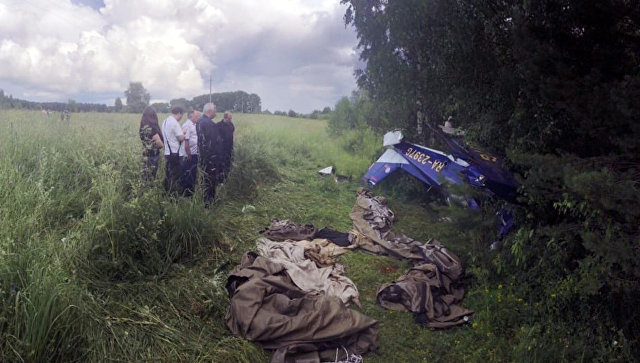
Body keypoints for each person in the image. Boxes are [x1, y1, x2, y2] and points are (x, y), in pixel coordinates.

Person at [196, 102, 222, 207]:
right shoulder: (210, 124)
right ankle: (209, 203)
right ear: (210, 111)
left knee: (205, 179)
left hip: (203, 157)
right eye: (215, 110)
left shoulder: (199, 121)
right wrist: (216, 157)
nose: (216, 112)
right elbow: (214, 143)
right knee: (210, 181)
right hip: (211, 158)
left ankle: (205, 201)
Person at [162, 106, 185, 195]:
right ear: (179, 113)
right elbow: (181, 138)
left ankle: (166, 194)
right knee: (175, 176)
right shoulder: (174, 123)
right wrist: (184, 132)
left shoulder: (165, 121)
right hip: (175, 153)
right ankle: (173, 196)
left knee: (168, 174)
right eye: (181, 115)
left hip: (167, 152)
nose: (181, 117)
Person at [139, 106, 164, 183]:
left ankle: (144, 192)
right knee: (151, 177)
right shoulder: (153, 128)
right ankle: (149, 191)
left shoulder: (142, 128)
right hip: (153, 155)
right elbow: (160, 144)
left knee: (145, 176)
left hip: (145, 154)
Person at [179, 109, 200, 196]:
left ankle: (191, 192)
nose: (198, 118)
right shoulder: (187, 125)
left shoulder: (194, 124)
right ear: (191, 116)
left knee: (192, 174)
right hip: (189, 155)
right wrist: (189, 154)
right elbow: (186, 142)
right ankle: (186, 194)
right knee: (187, 174)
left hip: (194, 154)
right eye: (196, 116)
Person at [217, 111, 235, 183]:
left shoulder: (231, 124)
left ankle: (226, 179)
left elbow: (233, 133)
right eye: (229, 118)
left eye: (231, 118)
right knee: (221, 165)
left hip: (229, 148)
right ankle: (220, 180)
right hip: (221, 150)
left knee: (228, 164)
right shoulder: (218, 125)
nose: (230, 120)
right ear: (225, 117)